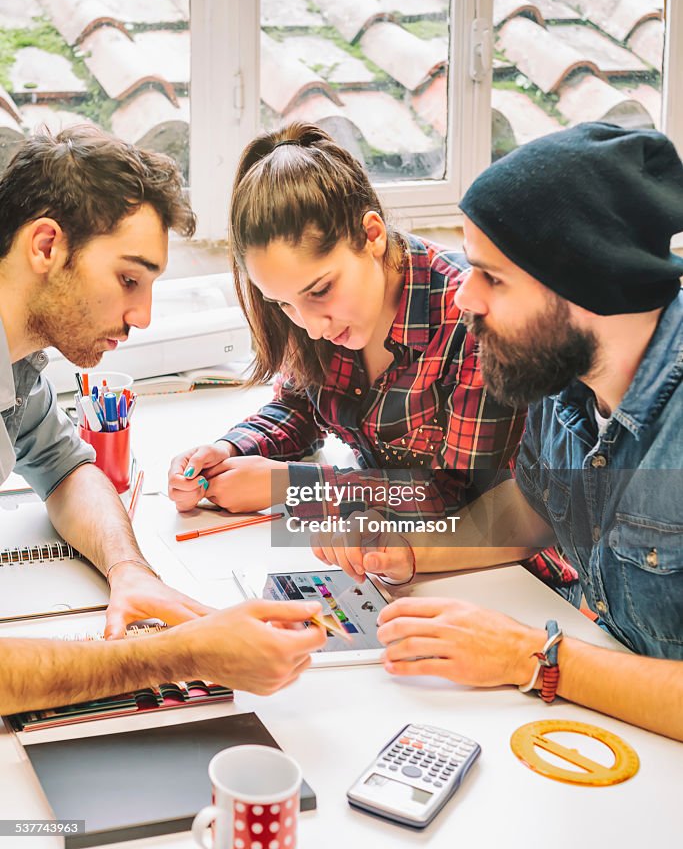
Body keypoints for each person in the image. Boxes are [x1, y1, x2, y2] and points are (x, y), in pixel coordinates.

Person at [320, 123, 683, 741]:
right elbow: (530, 512)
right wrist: (411, 548)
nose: (464, 296)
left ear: (585, 284)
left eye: (493, 277)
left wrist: (531, 658)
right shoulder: (563, 375)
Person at [0, 126, 325, 713]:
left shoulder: (19, 364)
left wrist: (129, 569)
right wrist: (182, 654)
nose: (142, 317)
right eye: (128, 280)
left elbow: (63, 466)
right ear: (45, 246)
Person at [167, 122, 562, 575]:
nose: (312, 328)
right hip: (385, 559)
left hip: (495, 572)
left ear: (371, 235)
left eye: (320, 291)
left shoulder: (471, 320)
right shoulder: (319, 316)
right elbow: (299, 407)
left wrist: (294, 487)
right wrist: (230, 450)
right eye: (284, 305)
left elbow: (461, 496)